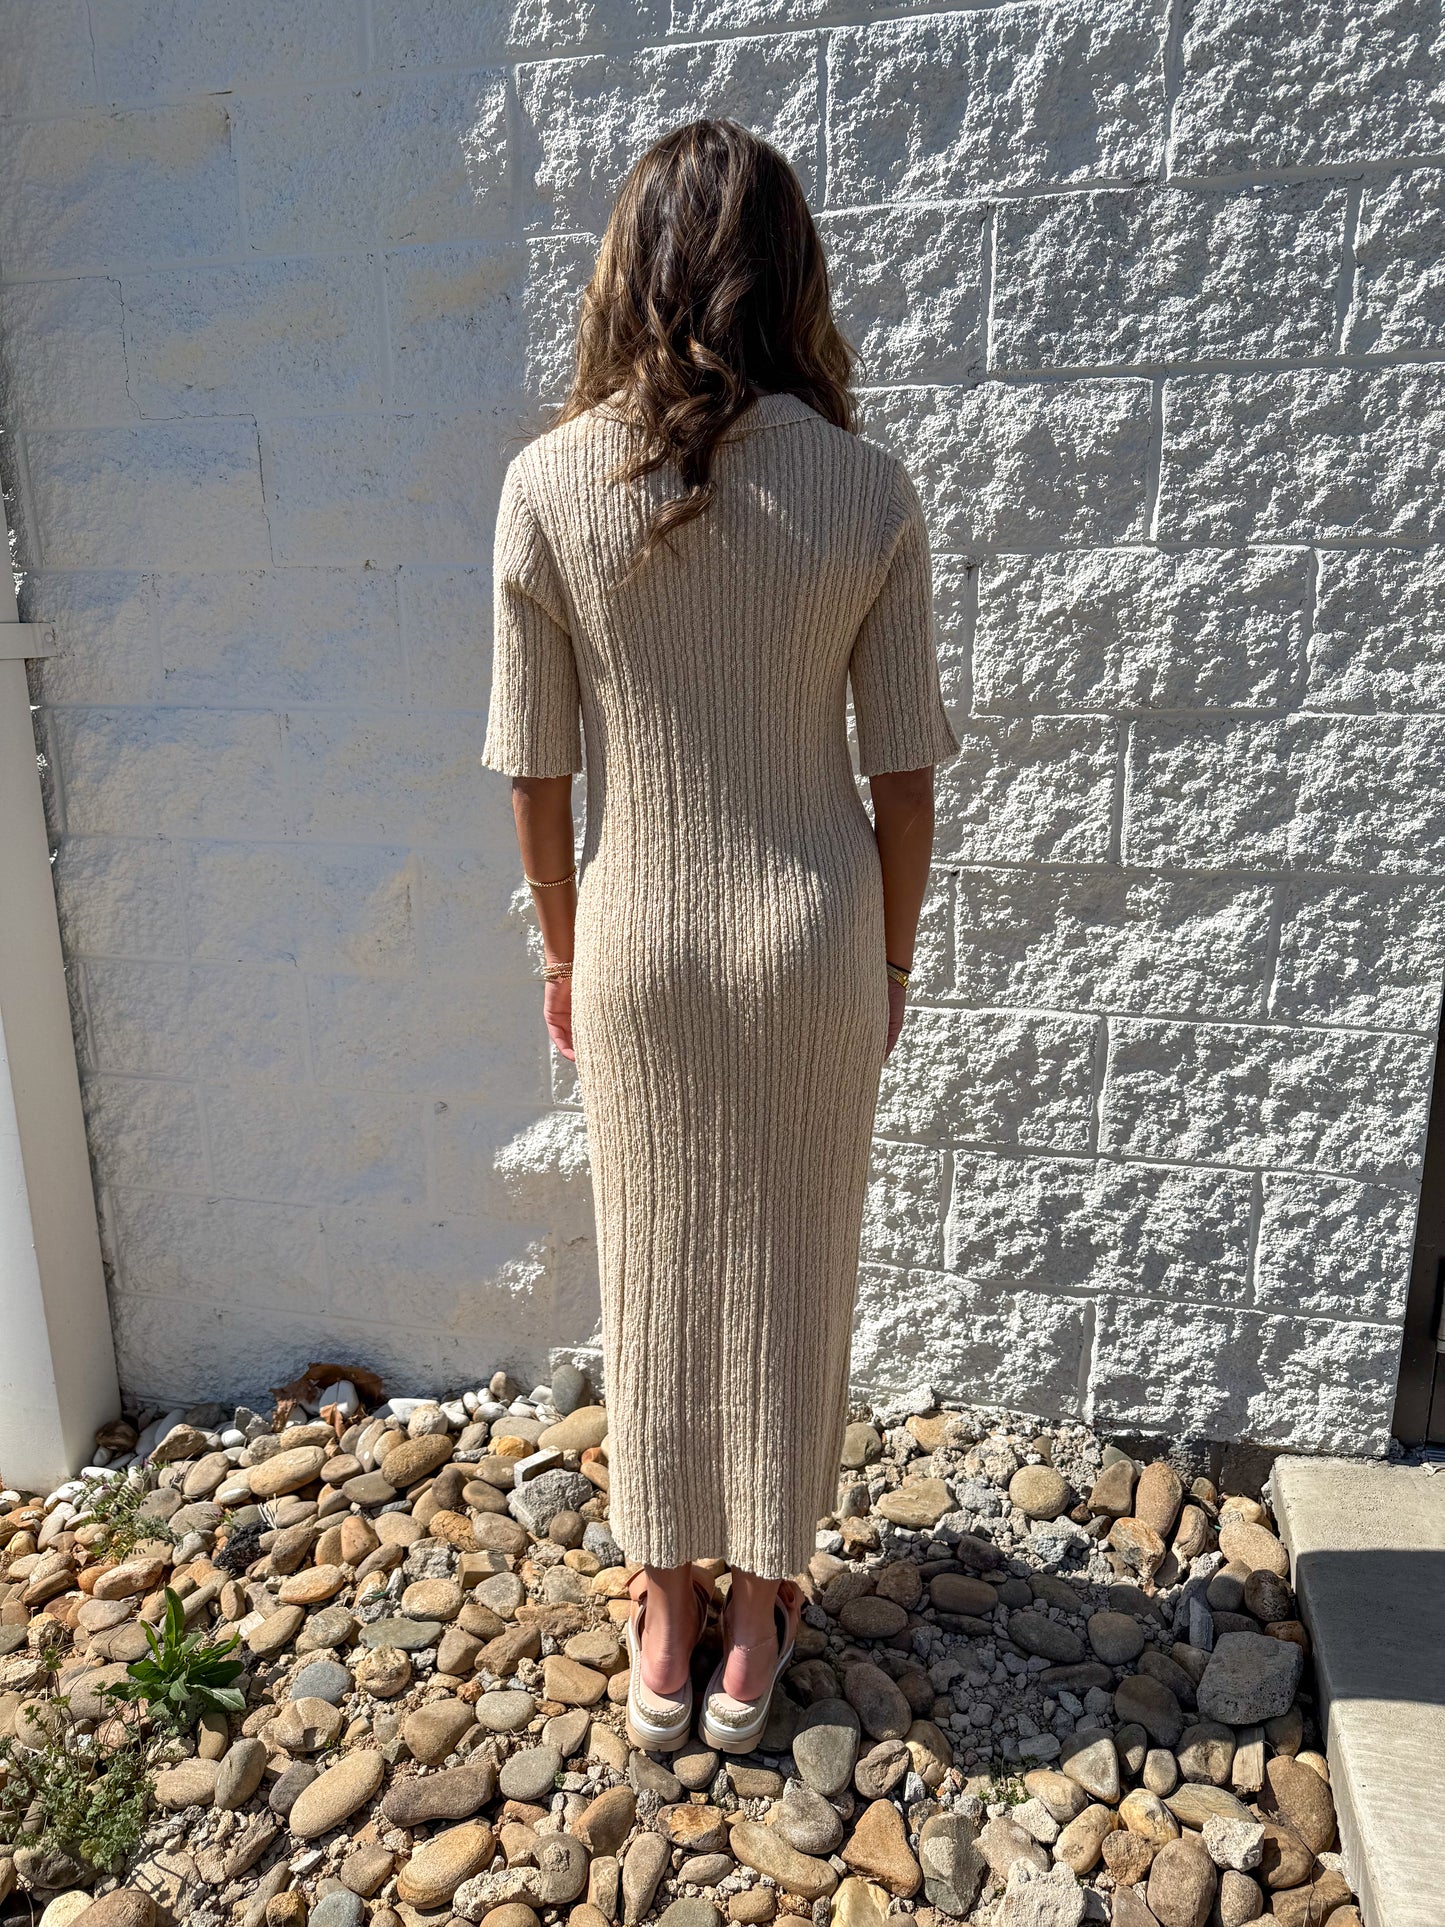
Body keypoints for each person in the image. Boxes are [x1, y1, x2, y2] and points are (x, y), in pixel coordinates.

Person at [482, 117, 961, 1753]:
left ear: (628, 268)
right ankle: (760, 1609)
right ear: (790, 272)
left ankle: (664, 1607)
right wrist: (889, 958)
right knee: (795, 1257)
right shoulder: (865, 488)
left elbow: (535, 772)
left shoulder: (548, 485)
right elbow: (904, 776)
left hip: (637, 937)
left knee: (652, 1260)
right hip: (816, 929)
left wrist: (564, 953)